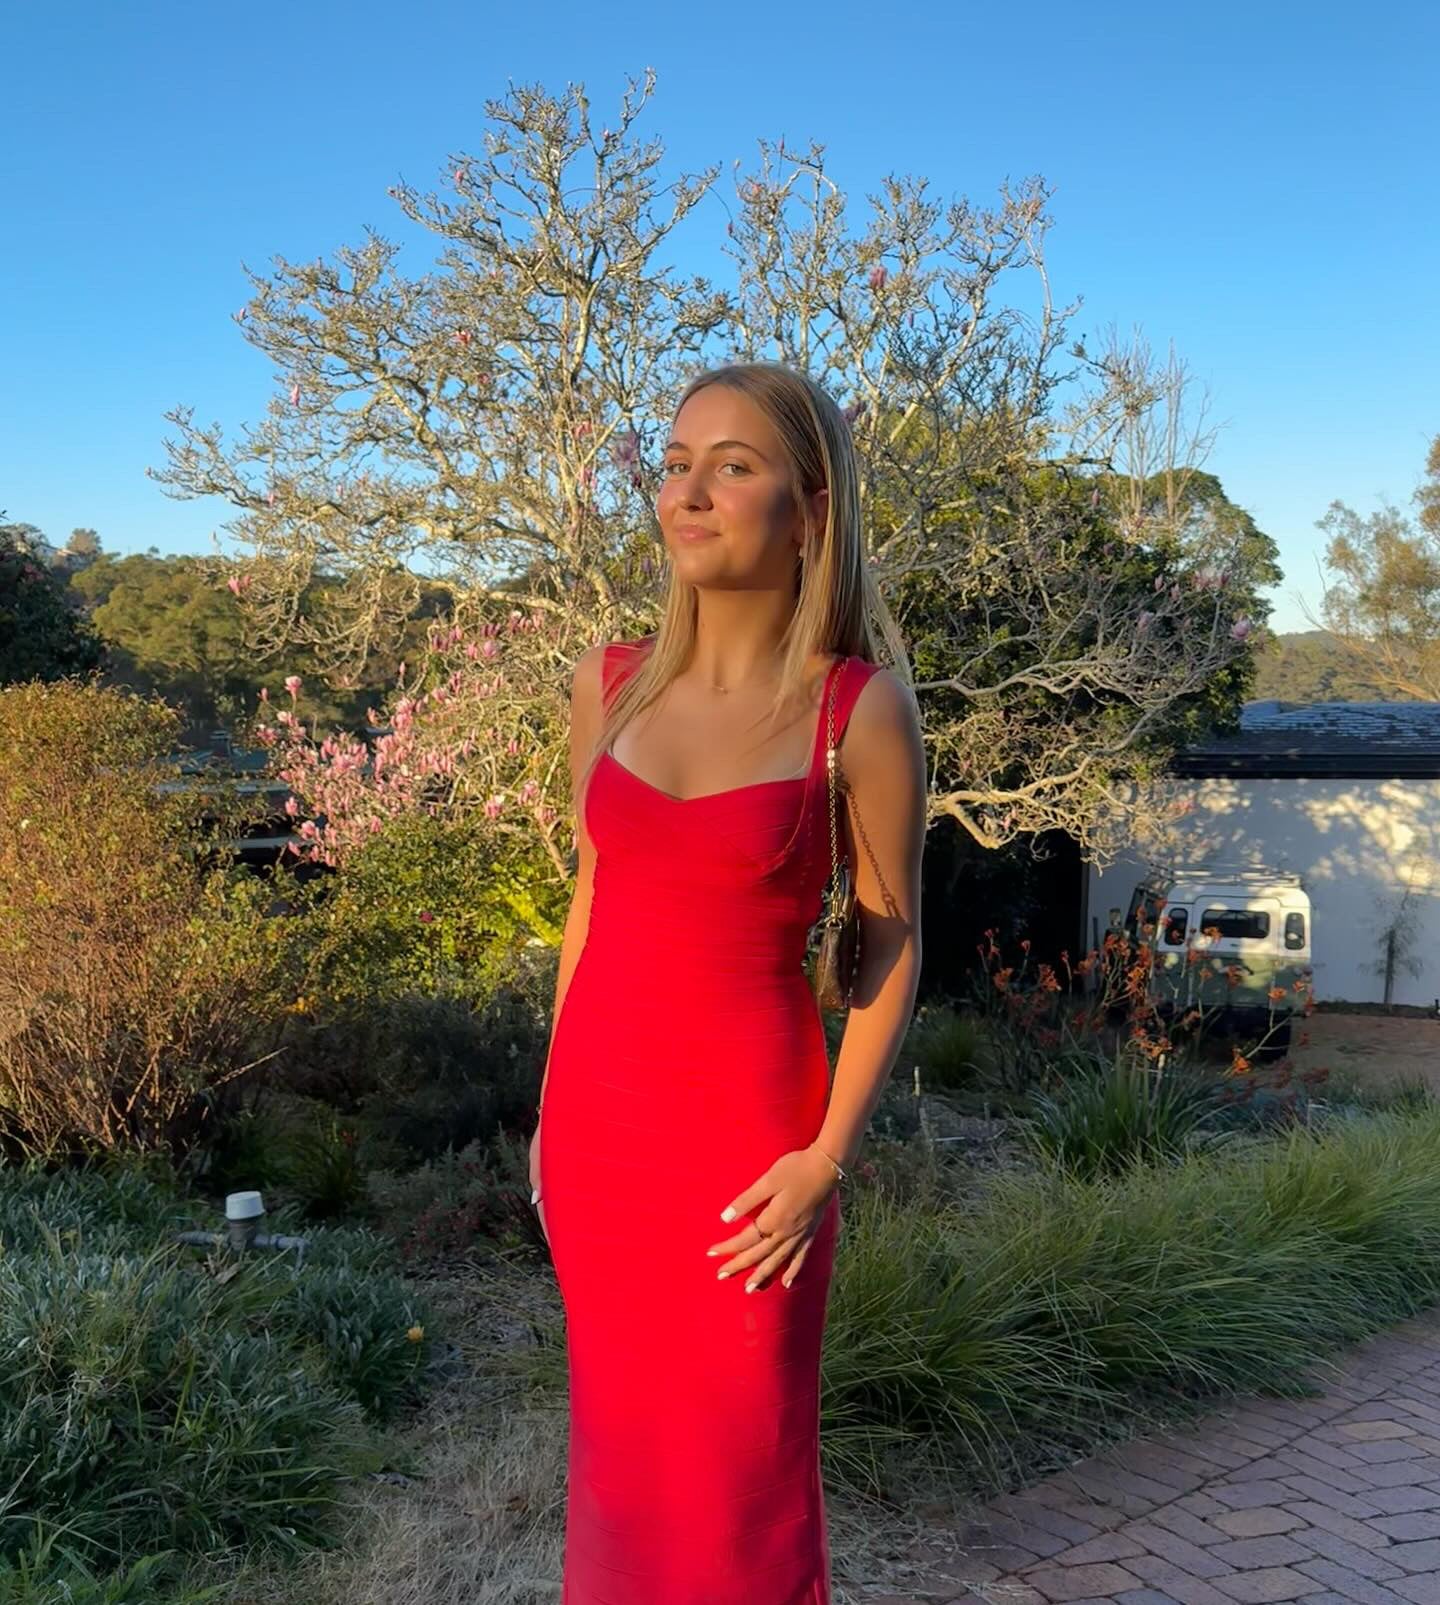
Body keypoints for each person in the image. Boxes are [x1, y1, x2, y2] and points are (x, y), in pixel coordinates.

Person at [529, 360, 927, 1603]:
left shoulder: (854, 712)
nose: (688, 492)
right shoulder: (611, 681)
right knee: (621, 1467)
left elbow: (891, 943)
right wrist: (549, 1117)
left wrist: (825, 1159)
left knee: (738, 1478)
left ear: (811, 509)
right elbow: (591, 904)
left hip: (750, 1151)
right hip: (601, 1136)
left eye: (733, 465)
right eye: (675, 462)